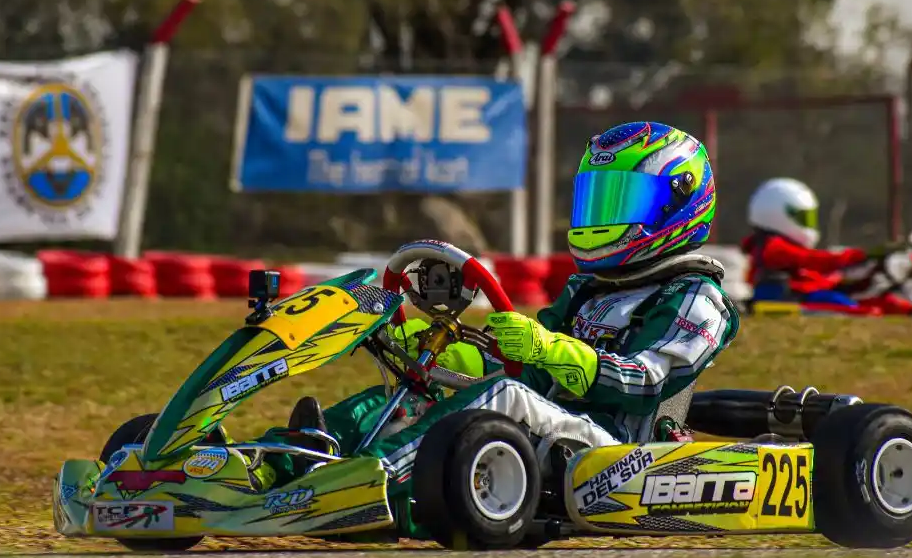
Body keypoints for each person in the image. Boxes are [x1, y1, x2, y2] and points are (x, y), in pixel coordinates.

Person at [262, 121, 742, 536]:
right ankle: (279, 463)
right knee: (418, 392)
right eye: (598, 201)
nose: (603, 216)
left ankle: (357, 488)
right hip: (556, 429)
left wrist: (552, 350)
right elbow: (522, 363)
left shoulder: (697, 297)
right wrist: (443, 353)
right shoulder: (588, 289)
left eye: (621, 202)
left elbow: (646, 382)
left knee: (504, 396)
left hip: (619, 454)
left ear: (676, 205)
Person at [740, 177, 912, 314]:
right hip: (790, 298)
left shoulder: (779, 246)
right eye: (804, 218)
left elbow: (817, 272)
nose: (809, 225)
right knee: (846, 304)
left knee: (884, 301)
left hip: (807, 293)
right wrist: (858, 256)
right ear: (777, 215)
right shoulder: (772, 248)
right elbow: (811, 260)